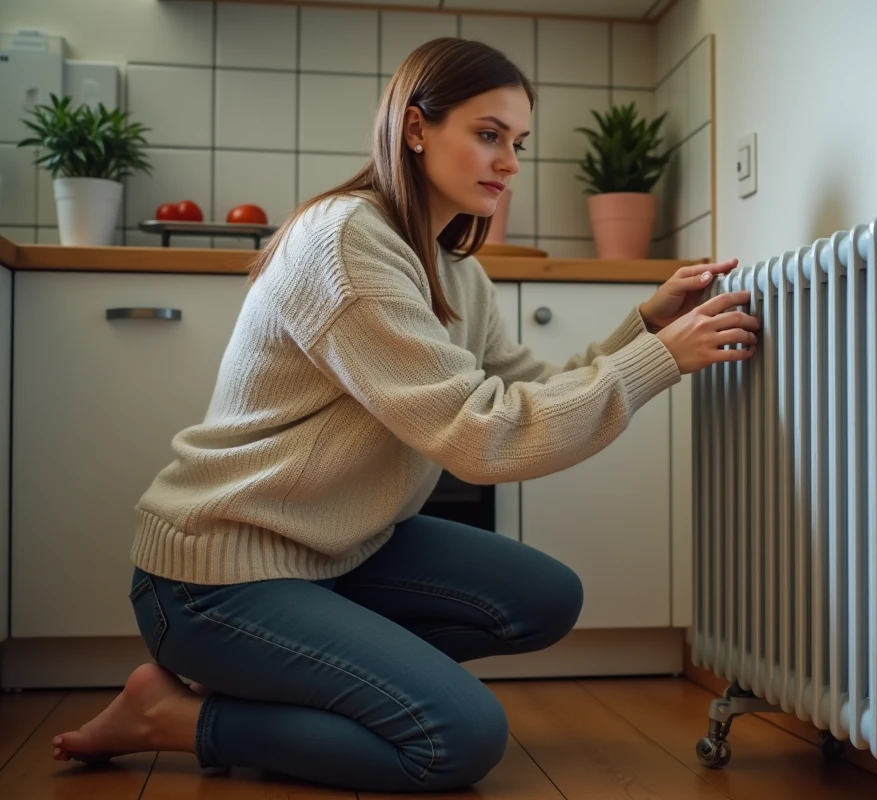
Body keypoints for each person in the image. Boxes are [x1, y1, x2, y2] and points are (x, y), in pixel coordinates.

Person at [49, 37, 759, 793]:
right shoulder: (347, 242)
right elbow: (484, 436)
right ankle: (177, 718)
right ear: (416, 129)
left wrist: (646, 328)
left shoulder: (455, 265)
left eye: (518, 142)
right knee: (454, 738)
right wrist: (663, 360)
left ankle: (312, 674)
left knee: (544, 598)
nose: (510, 162)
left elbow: (532, 389)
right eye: (488, 135)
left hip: (339, 548)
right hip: (218, 574)